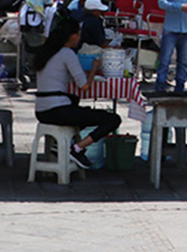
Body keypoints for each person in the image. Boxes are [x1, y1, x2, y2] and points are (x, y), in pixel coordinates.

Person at [33, 18, 122, 171]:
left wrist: (86, 73)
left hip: (41, 110)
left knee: (82, 111)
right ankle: (76, 148)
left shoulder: (46, 52)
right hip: (57, 110)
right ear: (72, 36)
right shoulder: (67, 53)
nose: (80, 38)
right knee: (112, 119)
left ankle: (63, 144)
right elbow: (85, 86)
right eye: (78, 35)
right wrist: (95, 68)